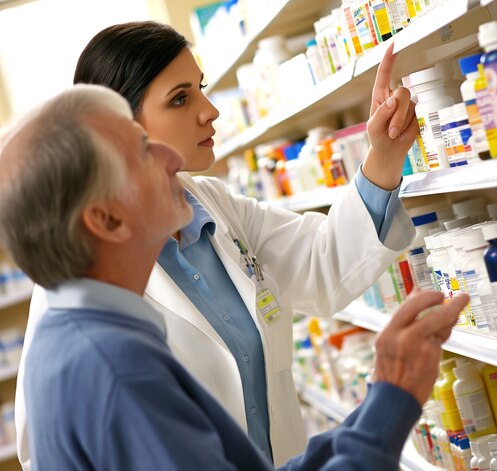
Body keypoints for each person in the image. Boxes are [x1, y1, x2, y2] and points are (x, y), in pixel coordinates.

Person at [0, 84, 469, 470]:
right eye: (141, 150)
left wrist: (378, 406)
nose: (167, 157)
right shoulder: (116, 368)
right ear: (105, 220)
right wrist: (389, 401)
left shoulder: (93, 334)